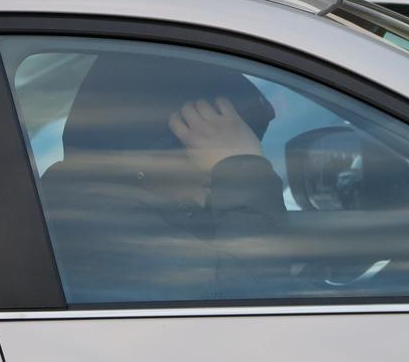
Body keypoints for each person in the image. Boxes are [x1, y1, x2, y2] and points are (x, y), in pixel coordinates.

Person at [40, 52, 289, 303]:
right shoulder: (99, 224)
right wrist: (240, 169)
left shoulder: (85, 209)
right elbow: (251, 297)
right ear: (146, 157)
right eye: (210, 172)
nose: (213, 187)